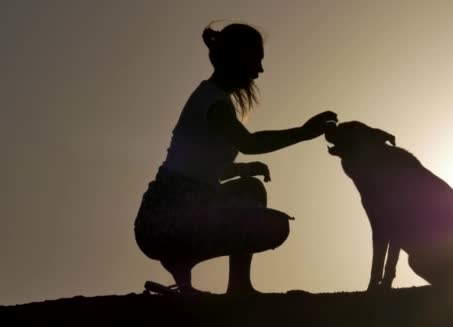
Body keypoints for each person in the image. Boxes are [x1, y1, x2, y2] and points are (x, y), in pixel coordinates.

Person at [133, 22, 337, 295]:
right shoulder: (214, 102)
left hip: (168, 215)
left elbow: (193, 171)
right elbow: (250, 143)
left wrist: (240, 169)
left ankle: (217, 281)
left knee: (249, 187)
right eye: (256, 60)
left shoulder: (212, 97)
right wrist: (304, 132)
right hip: (163, 222)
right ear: (238, 58)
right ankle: (194, 269)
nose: (260, 70)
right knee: (273, 226)